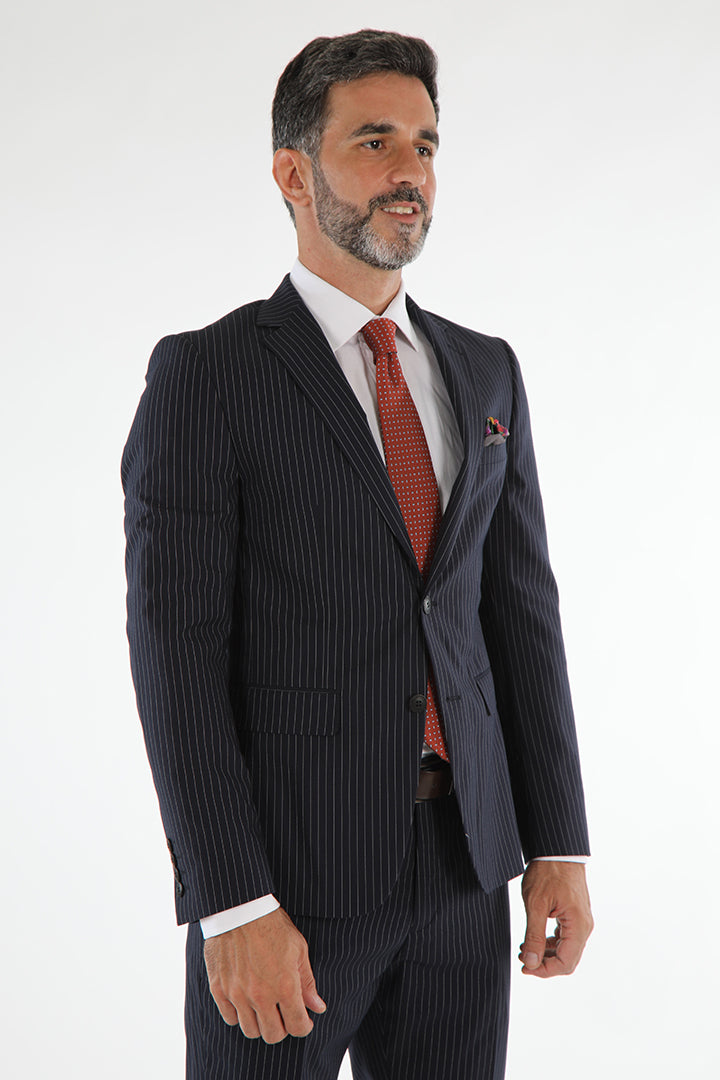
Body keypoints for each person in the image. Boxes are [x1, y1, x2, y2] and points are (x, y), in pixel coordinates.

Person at [122, 29, 593, 1080]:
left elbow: (520, 618)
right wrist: (231, 901)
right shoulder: (209, 376)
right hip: (288, 885)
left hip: (466, 872)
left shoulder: (485, 370)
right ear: (294, 174)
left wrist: (557, 843)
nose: (409, 171)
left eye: (425, 145)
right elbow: (175, 660)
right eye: (374, 142)